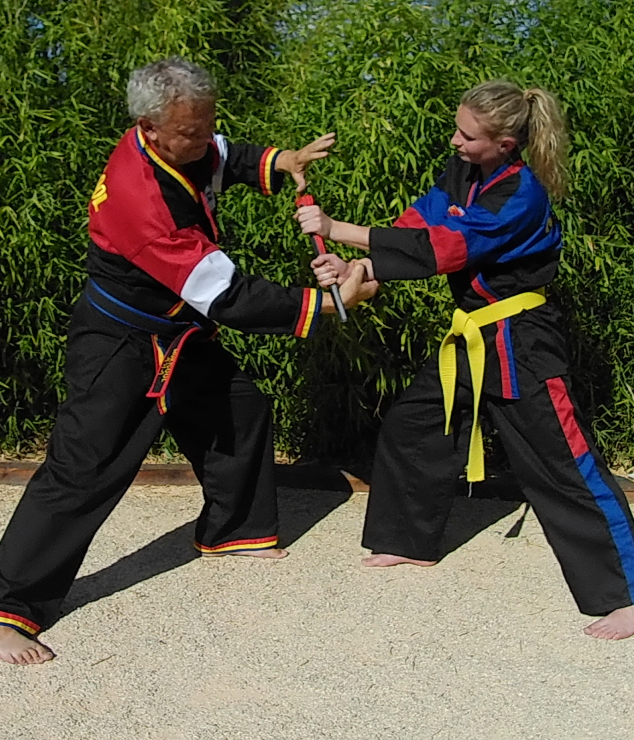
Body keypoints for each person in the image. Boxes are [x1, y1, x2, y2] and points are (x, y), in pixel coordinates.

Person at [0, 56, 376, 665]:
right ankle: (6, 607)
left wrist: (279, 162)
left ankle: (234, 533)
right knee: (83, 467)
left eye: (206, 125)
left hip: (175, 330)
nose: (203, 141)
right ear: (149, 128)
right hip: (121, 343)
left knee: (240, 409)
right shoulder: (142, 200)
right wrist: (332, 301)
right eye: (189, 132)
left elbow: (218, 153)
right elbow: (227, 294)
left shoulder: (173, 142)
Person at [296, 79, 634, 641]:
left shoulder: (522, 194)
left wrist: (336, 231)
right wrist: (355, 272)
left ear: (505, 143)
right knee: (416, 425)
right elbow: (414, 229)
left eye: (467, 134)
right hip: (473, 333)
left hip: (523, 339)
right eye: (457, 127)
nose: (455, 139)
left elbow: (442, 250)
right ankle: (410, 543)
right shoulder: (463, 174)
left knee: (562, 461)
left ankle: (626, 590)